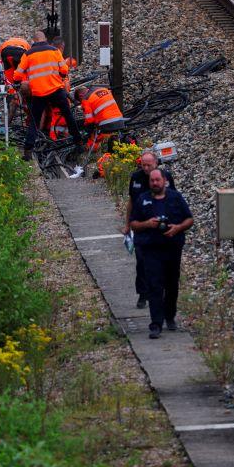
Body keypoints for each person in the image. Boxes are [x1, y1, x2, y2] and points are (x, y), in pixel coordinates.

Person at [129, 168, 194, 339]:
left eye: (158, 180)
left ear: (164, 180)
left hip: (172, 248)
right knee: (154, 286)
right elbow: (134, 223)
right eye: (152, 180)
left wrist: (177, 228)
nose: (155, 183)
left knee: (172, 285)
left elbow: (189, 219)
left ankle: (170, 316)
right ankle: (156, 324)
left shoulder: (176, 197)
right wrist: (148, 224)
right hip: (151, 249)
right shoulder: (143, 199)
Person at [12, 31, 83, 161]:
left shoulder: (27, 54)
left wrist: (17, 83)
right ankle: (78, 143)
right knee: (68, 115)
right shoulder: (54, 51)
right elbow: (64, 70)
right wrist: (59, 77)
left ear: (33, 41)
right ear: (45, 39)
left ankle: (28, 151)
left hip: (39, 93)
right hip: (56, 90)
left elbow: (17, 75)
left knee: (34, 121)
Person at [124, 152, 176, 311]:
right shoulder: (136, 178)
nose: (145, 168)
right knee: (141, 261)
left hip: (161, 225)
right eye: (143, 165)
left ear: (156, 164)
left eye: (149, 165)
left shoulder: (166, 177)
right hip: (142, 226)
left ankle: (162, 294)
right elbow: (131, 202)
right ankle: (143, 293)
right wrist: (127, 225)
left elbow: (173, 200)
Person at [75, 86, 124, 150]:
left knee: (93, 136)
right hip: (120, 120)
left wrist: (87, 132)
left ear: (81, 96)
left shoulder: (86, 99)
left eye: (80, 100)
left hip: (106, 124)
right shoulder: (104, 89)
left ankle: (90, 149)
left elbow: (89, 121)